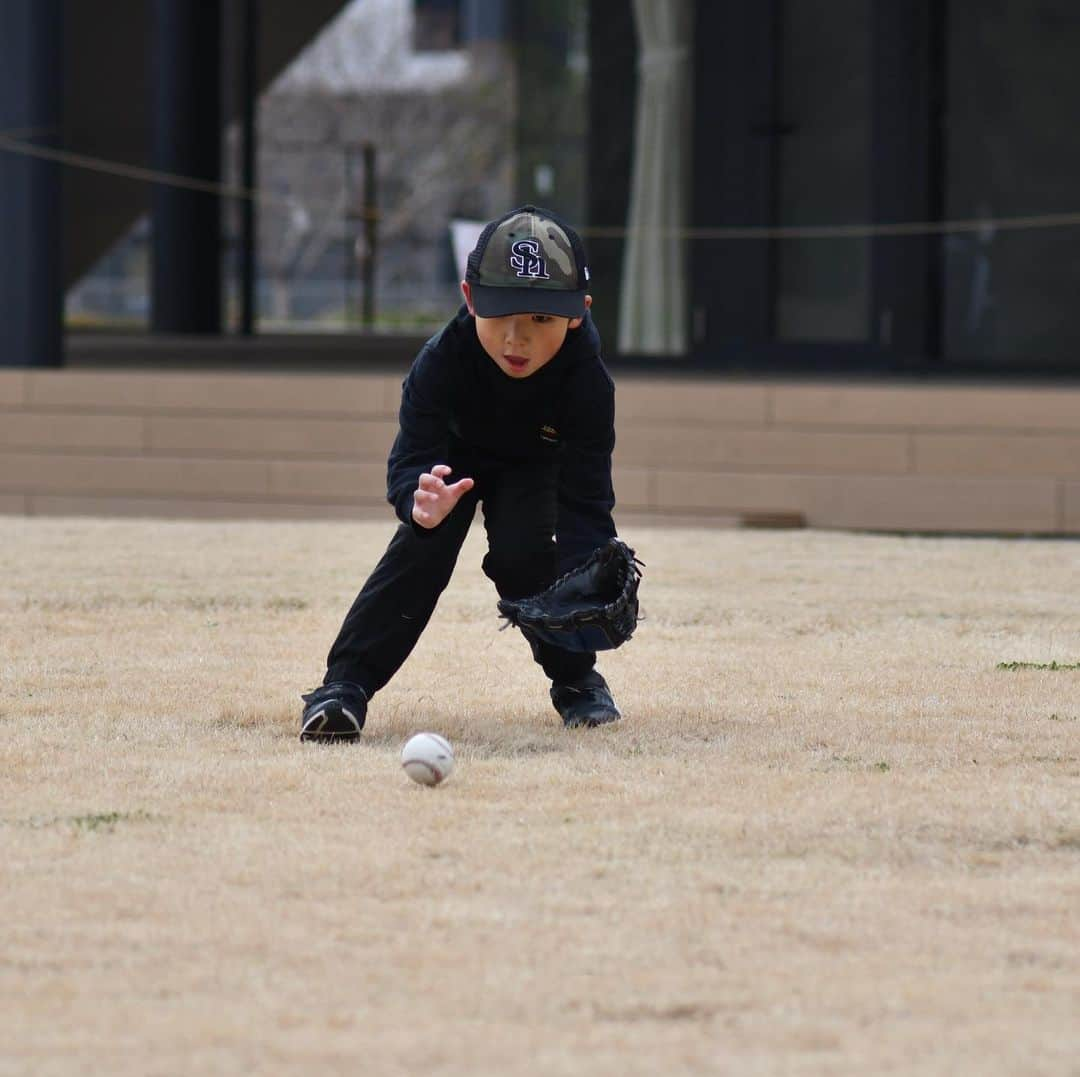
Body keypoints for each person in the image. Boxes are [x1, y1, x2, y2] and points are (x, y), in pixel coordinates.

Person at [300, 205, 622, 742]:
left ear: (577, 313)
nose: (517, 339)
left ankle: (579, 684)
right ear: (470, 300)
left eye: (541, 319)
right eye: (501, 315)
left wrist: (592, 565)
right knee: (420, 551)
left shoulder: (587, 383)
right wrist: (417, 500)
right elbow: (408, 460)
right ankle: (343, 689)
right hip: (450, 464)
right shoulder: (441, 361)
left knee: (528, 561)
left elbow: (587, 497)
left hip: (531, 464)